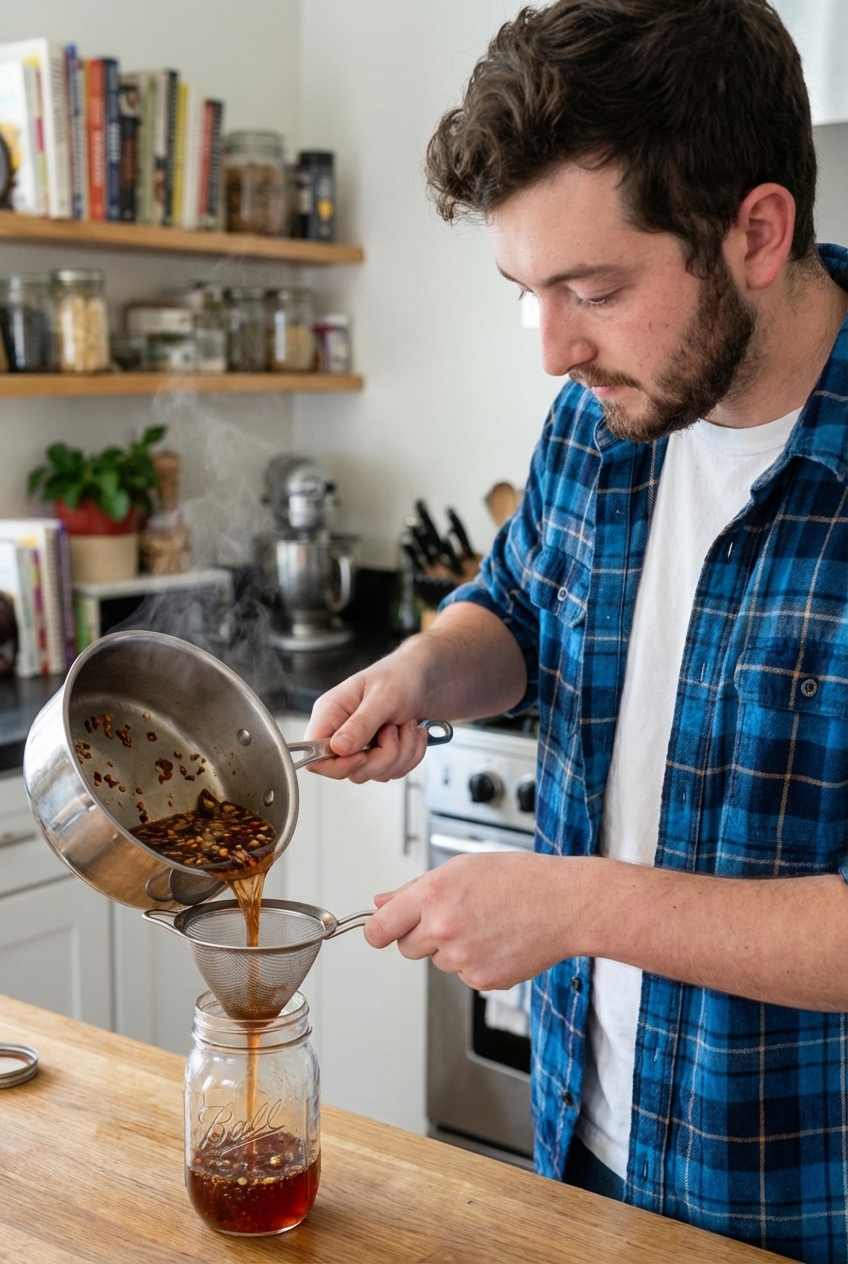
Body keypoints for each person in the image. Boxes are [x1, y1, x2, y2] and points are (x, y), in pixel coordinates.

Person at [304, 2, 848, 1259]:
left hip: (796, 1203)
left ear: (756, 233)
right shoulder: (607, 411)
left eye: (593, 288)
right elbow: (518, 604)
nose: (552, 348)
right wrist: (422, 667)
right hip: (584, 1153)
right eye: (526, 292)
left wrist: (579, 908)